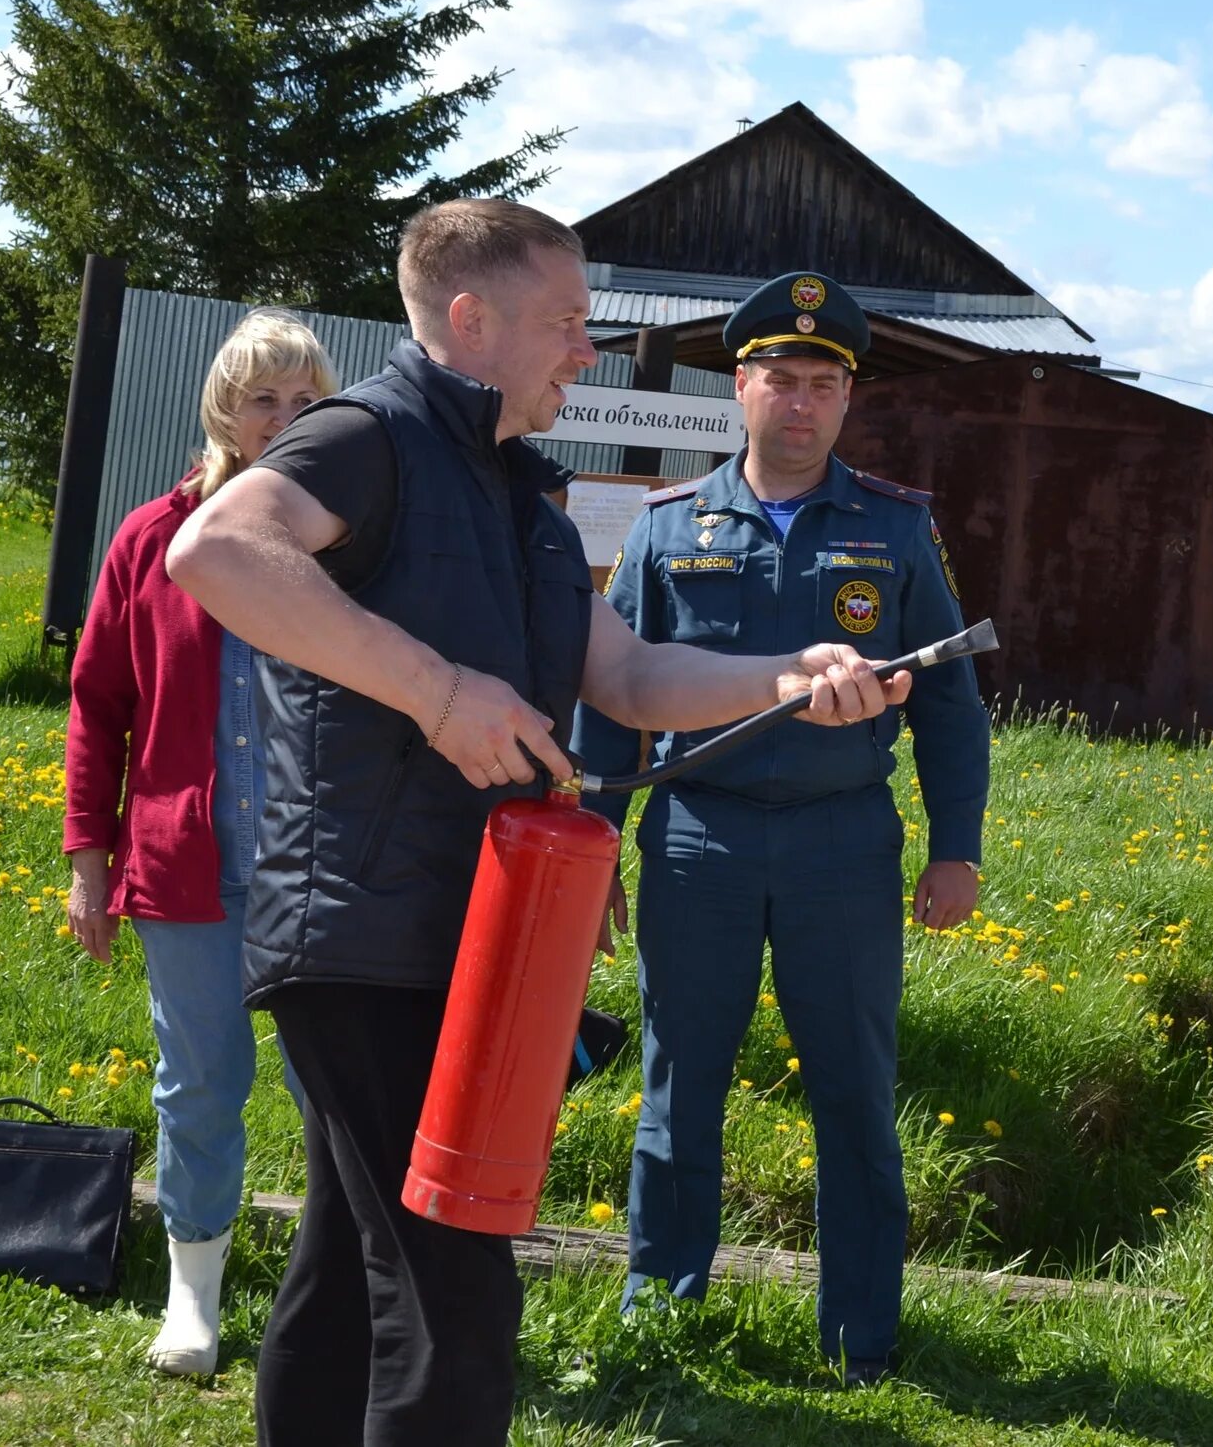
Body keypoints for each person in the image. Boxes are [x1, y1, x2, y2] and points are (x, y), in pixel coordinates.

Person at [166, 200, 912, 1447]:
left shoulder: (519, 491)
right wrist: (437, 690)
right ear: (473, 318)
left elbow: (625, 680)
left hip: (466, 924)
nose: (588, 351)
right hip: (361, 929)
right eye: (568, 322)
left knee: (355, 1260)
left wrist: (791, 679)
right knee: (452, 1282)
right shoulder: (373, 436)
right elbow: (219, 548)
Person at [569, 271, 992, 1386]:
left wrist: (957, 848)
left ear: (846, 402)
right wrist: (593, 845)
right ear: (741, 389)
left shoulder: (896, 531)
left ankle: (862, 1334)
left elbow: (949, 700)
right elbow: (611, 697)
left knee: (852, 1088)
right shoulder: (668, 532)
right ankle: (660, 1310)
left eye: (822, 383)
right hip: (697, 843)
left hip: (840, 846)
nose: (799, 402)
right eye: (778, 379)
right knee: (678, 1085)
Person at [63, 309, 333, 1378]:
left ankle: (337, 1300)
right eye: (263, 398)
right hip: (188, 860)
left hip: (323, 870)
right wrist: (90, 857)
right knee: (201, 1081)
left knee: (337, 1088)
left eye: (305, 398)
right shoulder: (150, 536)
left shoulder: (351, 539)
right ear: (223, 408)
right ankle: (194, 1301)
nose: (283, 418)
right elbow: (98, 702)